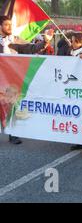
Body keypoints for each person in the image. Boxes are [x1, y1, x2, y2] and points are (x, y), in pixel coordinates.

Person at [0, 15, 54, 144]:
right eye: (6, 25)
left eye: (10, 24)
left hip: (11, 79)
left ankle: (13, 134)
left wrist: (45, 41)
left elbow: (32, 48)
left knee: (11, 105)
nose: (10, 27)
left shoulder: (16, 40)